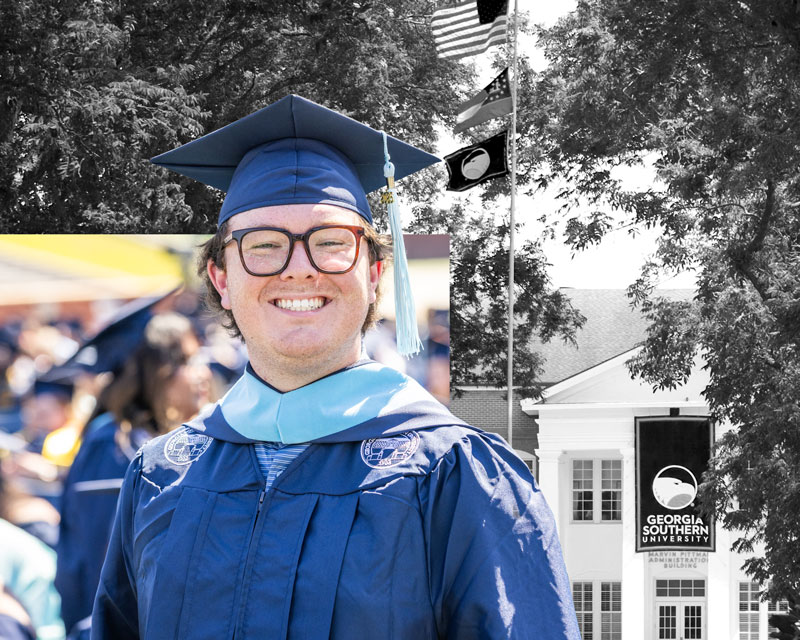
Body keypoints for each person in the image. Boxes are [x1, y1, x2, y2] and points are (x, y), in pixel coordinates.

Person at [92, 95, 580, 639]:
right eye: (264, 245)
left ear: (374, 274)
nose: (299, 270)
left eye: (329, 244)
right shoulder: (160, 474)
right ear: (222, 279)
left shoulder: (458, 475)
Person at [57, 313, 212, 639]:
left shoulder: (153, 443)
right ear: (154, 371)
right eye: (185, 360)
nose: (202, 373)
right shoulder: (114, 447)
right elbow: (106, 573)